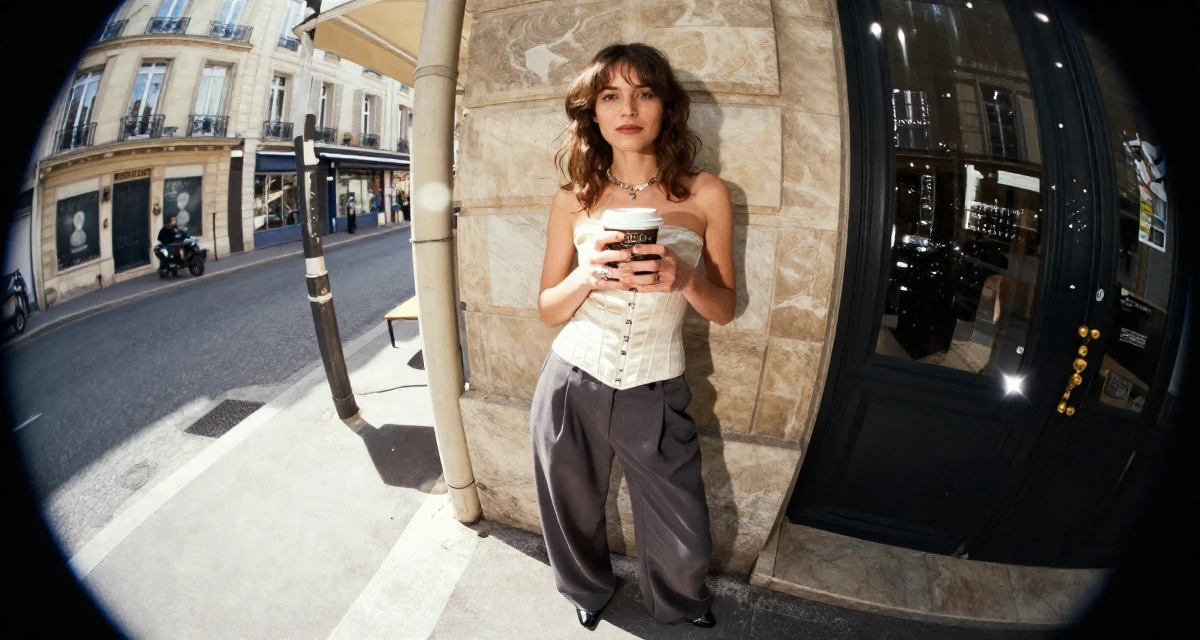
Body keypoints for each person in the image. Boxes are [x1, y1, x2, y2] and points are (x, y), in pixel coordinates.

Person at [531, 43, 736, 631]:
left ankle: (679, 601)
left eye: (644, 93)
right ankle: (586, 591)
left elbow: (722, 309)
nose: (629, 108)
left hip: (656, 385)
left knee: (684, 531)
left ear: (665, 107)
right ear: (592, 113)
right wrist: (585, 276)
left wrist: (685, 276)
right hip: (572, 379)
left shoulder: (705, 194)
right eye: (611, 95)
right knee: (570, 507)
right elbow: (547, 309)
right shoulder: (572, 200)